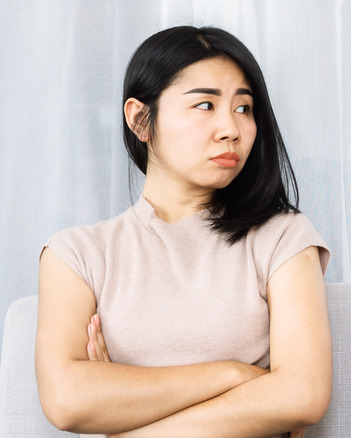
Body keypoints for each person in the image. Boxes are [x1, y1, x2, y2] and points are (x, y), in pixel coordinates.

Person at [35, 26, 332, 438]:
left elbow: (303, 395)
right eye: (206, 105)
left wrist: (124, 420)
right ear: (141, 120)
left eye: (244, 108)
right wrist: (233, 375)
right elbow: (67, 401)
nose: (231, 128)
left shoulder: (283, 236)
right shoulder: (77, 254)